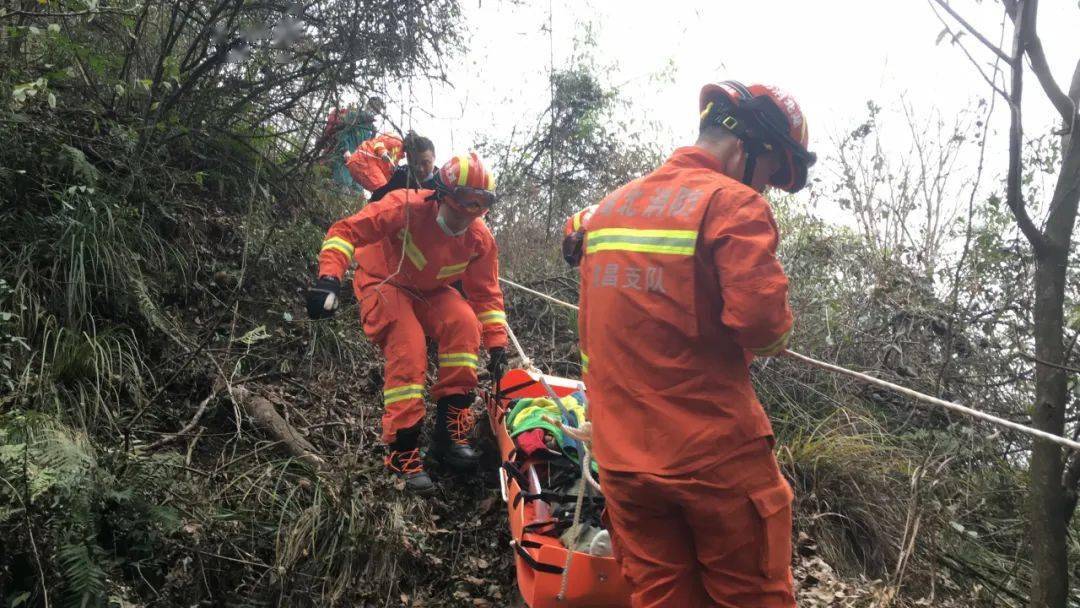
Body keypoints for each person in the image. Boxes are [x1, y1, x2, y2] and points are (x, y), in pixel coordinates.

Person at [575, 80, 816, 607]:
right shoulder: (733, 203)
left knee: (662, 598)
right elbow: (764, 325)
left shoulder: (611, 208)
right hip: (712, 458)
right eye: (774, 173)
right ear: (750, 147)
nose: (769, 188)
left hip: (622, 460)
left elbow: (595, 329)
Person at [305, 153, 510, 495]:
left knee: (464, 324)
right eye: (463, 203)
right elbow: (345, 231)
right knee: (409, 348)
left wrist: (498, 344)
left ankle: (448, 434)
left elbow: (486, 294)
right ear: (442, 194)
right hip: (383, 281)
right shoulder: (405, 206)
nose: (467, 215)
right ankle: (402, 451)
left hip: (429, 290)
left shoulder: (479, 239)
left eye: (479, 205)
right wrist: (329, 278)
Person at [344, 130, 437, 199]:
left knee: (385, 190)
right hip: (363, 161)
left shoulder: (400, 155)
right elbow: (378, 143)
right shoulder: (396, 141)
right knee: (385, 194)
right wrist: (382, 152)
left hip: (364, 164)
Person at [368, 132, 437, 202]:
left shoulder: (441, 183)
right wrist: (382, 153)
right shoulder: (401, 176)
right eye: (415, 163)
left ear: (434, 157)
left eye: (425, 163)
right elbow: (376, 199)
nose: (420, 169)